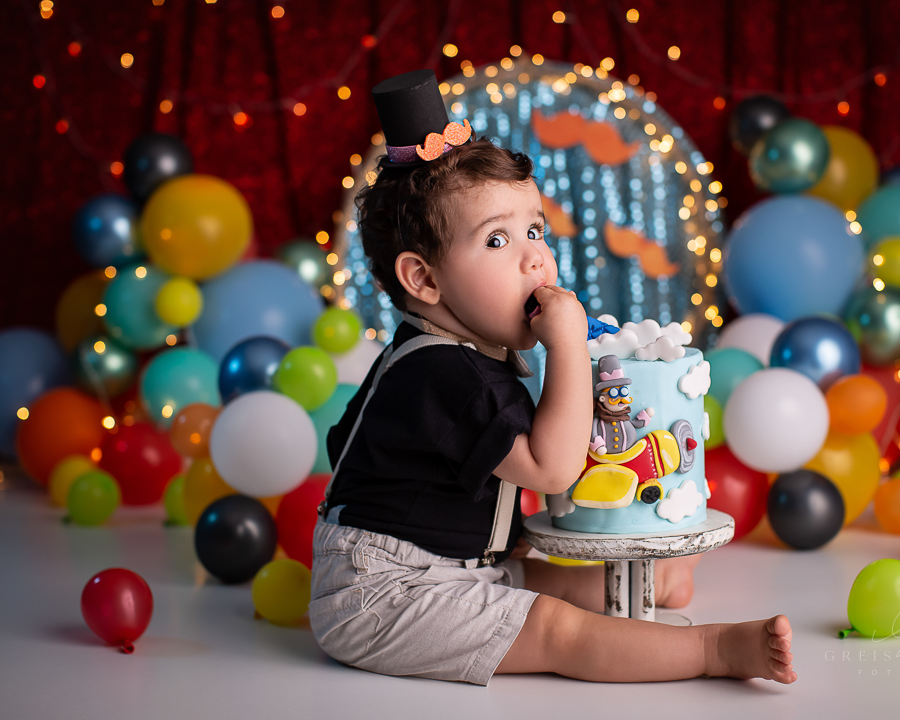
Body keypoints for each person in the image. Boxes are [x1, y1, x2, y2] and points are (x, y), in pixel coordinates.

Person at [310, 69, 797, 687]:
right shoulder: (443, 372)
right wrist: (567, 344)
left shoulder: (455, 353)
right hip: (383, 593)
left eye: (535, 229)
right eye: (497, 239)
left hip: (455, 563)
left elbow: (351, 448)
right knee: (555, 629)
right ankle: (716, 652)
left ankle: (651, 581)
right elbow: (553, 469)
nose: (536, 256)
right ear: (425, 281)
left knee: (562, 582)